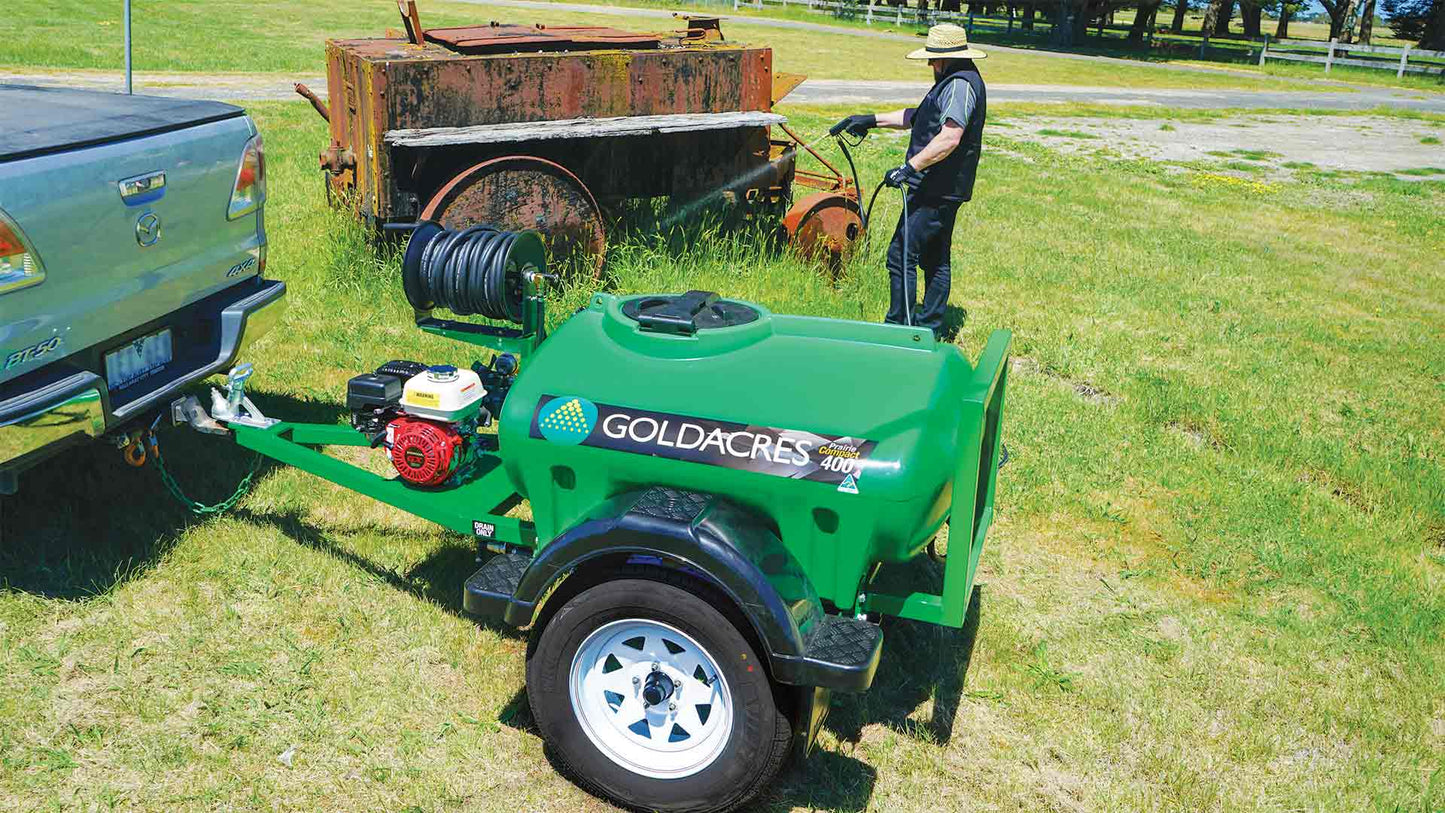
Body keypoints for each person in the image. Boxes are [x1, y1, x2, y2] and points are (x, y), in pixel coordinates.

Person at [833, 24, 987, 337]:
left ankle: (899, 331)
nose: (930, 65)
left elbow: (950, 137)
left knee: (901, 254)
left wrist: (909, 168)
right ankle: (929, 329)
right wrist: (869, 120)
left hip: (936, 187)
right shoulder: (953, 81)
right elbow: (920, 116)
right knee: (934, 258)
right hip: (943, 185)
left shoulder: (960, 85)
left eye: (933, 59)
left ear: (947, 58)